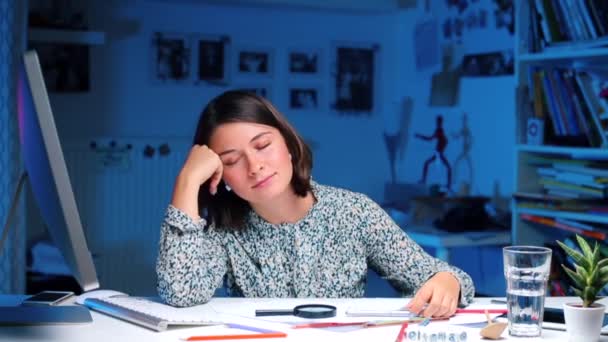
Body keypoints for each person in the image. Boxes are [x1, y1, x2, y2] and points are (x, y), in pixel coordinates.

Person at [156, 91, 475, 318]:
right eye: (232, 160)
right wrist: (186, 180)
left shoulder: (353, 212)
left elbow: (443, 276)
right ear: (221, 175)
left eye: (263, 145)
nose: (255, 166)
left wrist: (447, 281)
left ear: (289, 145)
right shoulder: (224, 231)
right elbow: (180, 293)